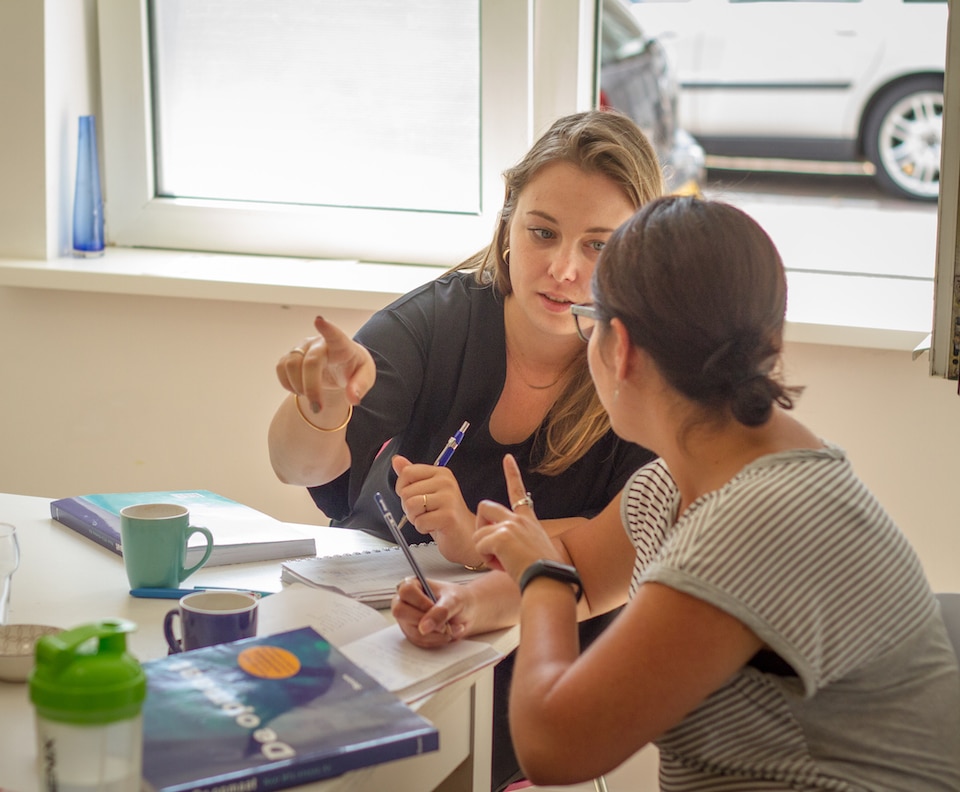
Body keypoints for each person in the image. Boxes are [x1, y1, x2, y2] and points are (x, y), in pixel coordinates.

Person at [395, 196, 960, 790]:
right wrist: (466, 605)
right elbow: (580, 568)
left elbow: (552, 747)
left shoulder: (758, 524)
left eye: (591, 323)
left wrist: (539, 579)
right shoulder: (690, 476)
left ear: (622, 349)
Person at [268, 109, 665, 790]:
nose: (564, 269)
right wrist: (319, 409)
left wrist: (468, 539)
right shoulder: (439, 319)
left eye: (599, 246)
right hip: (374, 627)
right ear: (507, 225)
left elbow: (611, 549)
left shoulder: (641, 370)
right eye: (542, 232)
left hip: (528, 664)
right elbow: (298, 467)